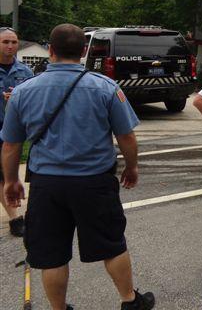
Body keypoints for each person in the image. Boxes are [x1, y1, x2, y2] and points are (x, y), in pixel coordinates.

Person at [1, 24, 155, 310]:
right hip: (94, 182)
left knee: (52, 254)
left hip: (47, 184)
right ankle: (130, 301)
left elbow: (10, 145)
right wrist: (131, 167)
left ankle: (60, 308)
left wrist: (11, 180)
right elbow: (126, 137)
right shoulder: (105, 87)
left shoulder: (23, 92)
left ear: (50, 50)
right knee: (112, 243)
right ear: (83, 51)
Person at [0, 26, 33, 237]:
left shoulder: (25, 72)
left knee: (10, 173)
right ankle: (15, 218)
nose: (11, 46)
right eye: (5, 42)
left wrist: (19, 100)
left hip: (16, 132)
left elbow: (35, 102)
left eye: (14, 42)